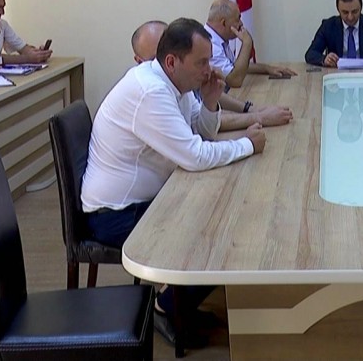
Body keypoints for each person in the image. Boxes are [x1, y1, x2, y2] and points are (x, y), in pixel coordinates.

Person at [81, 18, 268, 348]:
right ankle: (165, 306)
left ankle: (180, 300)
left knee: (223, 219)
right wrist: (247, 145)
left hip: (147, 198)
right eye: (202, 62)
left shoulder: (173, 83)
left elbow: (199, 132)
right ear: (172, 61)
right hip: (115, 214)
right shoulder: (151, 91)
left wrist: (210, 101)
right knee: (221, 236)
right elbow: (195, 156)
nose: (209, 70)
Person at [130, 20, 292, 130]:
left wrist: (250, 109)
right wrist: (259, 117)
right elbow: (194, 151)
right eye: (157, 58)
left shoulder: (182, 73)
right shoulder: (151, 90)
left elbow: (201, 122)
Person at [203, 0, 295, 87]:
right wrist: (247, 44)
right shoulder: (209, 44)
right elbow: (235, 80)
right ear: (224, 23)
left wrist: (267, 68)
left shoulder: (218, 38)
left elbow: (235, 68)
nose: (241, 23)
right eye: (237, 19)